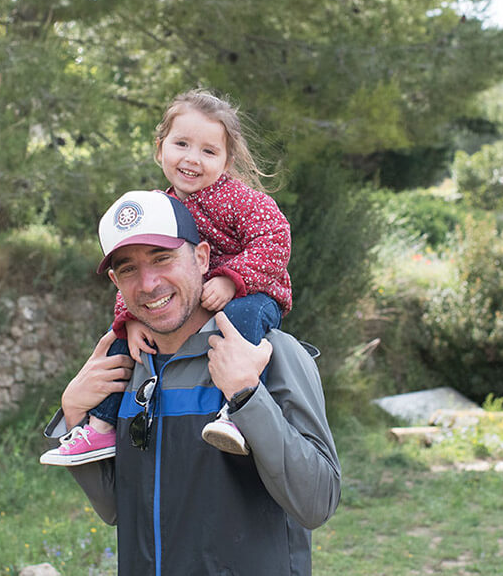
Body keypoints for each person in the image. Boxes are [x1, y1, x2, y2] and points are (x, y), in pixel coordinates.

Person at [43, 190, 340, 575]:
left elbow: (317, 503)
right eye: (128, 269)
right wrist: (75, 417)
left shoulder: (273, 355)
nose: (148, 283)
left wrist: (247, 397)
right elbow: (117, 508)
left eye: (162, 258)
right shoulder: (127, 372)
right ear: (116, 281)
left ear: (201, 258)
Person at [40, 89, 291, 465]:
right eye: (182, 144)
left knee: (239, 321)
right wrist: (128, 318)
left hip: (253, 293)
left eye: (209, 151)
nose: (192, 159)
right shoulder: (157, 206)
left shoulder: (241, 199)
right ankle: (100, 428)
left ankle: (236, 412)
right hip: (192, 297)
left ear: (227, 159)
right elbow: (138, 268)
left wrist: (231, 278)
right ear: (160, 149)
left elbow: (275, 240)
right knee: (121, 345)